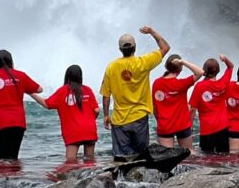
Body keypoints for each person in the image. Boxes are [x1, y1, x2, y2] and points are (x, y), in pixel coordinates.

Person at [100, 26, 170, 159]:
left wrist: (106, 115)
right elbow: (165, 48)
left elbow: (106, 96)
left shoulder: (111, 67)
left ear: (120, 49)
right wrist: (152, 32)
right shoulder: (143, 62)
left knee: (120, 157)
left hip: (120, 120)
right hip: (139, 117)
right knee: (141, 156)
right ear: (135, 47)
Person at [0, 49, 43, 160]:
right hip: (18, 123)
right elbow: (40, 89)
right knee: (13, 158)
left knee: (0, 159)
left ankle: (3, 172)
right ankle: (15, 172)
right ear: (11, 62)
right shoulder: (20, 75)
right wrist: (25, 89)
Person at [43, 65, 100, 163]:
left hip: (74, 132)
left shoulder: (63, 90)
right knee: (90, 162)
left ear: (68, 76)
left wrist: (32, 94)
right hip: (89, 129)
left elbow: (47, 104)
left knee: (70, 163)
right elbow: (97, 110)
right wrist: (90, 120)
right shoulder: (87, 89)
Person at [152, 55, 204, 150]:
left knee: (167, 156)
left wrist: (159, 121)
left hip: (165, 125)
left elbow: (154, 107)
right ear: (180, 69)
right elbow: (200, 72)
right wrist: (183, 62)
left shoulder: (156, 83)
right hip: (182, 125)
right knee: (188, 154)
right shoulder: (182, 84)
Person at [190, 55, 234, 154]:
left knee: (206, 157)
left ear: (204, 70)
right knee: (223, 156)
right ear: (218, 70)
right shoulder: (223, 83)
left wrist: (190, 126)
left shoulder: (199, 86)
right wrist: (225, 59)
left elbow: (192, 108)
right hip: (223, 126)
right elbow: (231, 67)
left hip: (207, 128)